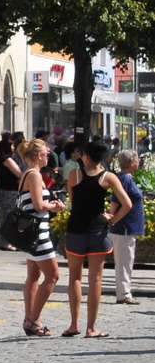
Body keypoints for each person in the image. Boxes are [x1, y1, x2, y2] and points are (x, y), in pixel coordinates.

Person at [62, 140, 130, 338]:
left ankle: (74, 324)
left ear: (86, 155)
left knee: (74, 277)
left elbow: (74, 201)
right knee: (96, 279)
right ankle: (91, 327)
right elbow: (127, 203)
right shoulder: (108, 177)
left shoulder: (74, 174)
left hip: (76, 229)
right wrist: (112, 219)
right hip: (98, 231)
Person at [17, 137, 61, 336]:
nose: (48, 155)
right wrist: (55, 206)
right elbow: (38, 206)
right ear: (37, 155)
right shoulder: (34, 175)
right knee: (52, 276)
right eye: (46, 153)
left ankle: (30, 318)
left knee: (33, 276)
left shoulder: (29, 173)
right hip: (38, 234)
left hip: (32, 234)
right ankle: (33, 319)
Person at [108, 150, 144, 305]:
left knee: (126, 259)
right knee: (124, 260)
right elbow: (116, 202)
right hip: (124, 225)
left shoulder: (126, 178)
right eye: (137, 159)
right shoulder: (124, 179)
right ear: (131, 162)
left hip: (126, 225)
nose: (139, 161)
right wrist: (113, 219)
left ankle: (124, 291)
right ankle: (123, 293)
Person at [0, 136, 24, 249]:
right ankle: (5, 241)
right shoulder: (7, 159)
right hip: (10, 190)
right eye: (11, 145)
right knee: (9, 216)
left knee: (4, 216)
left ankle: (2, 240)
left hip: (3, 189)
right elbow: (19, 173)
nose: (13, 147)